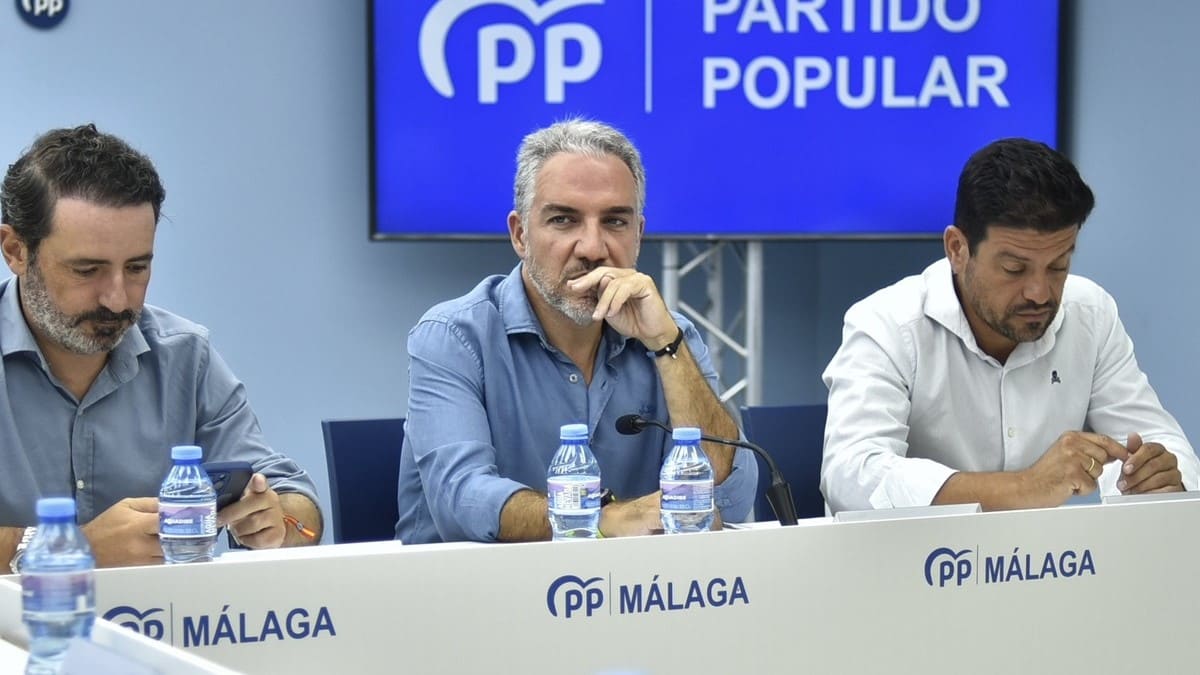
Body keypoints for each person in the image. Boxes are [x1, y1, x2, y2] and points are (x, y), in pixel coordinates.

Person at [395, 118, 757, 543]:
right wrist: (602, 519)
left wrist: (664, 344)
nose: (593, 248)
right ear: (520, 235)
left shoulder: (670, 335)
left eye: (615, 222)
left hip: (637, 598)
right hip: (475, 595)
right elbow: (463, 501)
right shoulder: (454, 337)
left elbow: (731, 496)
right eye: (564, 220)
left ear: (638, 235)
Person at [0, 124, 322, 570]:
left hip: (161, 629)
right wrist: (74, 549)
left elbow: (296, 501)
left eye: (136, 267)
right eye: (87, 270)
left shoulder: (184, 355)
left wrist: (276, 524)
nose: (117, 299)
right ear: (15, 250)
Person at [821, 138, 1200, 513]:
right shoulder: (887, 324)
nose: (1039, 292)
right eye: (1014, 269)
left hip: (1054, 566)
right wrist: (1025, 486)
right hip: (913, 567)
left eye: (1058, 266)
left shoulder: (1091, 313)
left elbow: (1160, 440)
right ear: (957, 249)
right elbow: (851, 476)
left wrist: (1162, 475)